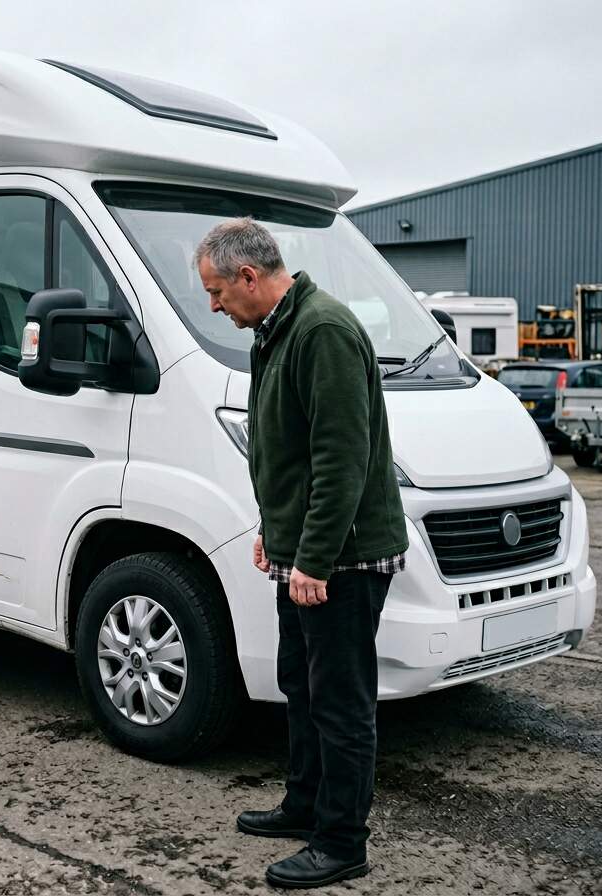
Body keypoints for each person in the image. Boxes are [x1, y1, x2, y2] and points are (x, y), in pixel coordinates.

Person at [196, 218, 408, 889]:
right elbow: (288, 452)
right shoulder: (278, 333)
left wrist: (313, 559)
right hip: (305, 547)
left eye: (216, 290)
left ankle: (342, 841)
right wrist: (275, 530)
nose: (213, 305)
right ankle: (306, 803)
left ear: (249, 277)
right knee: (301, 684)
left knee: (340, 701)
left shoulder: (321, 332)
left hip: (341, 559)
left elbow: (341, 460)